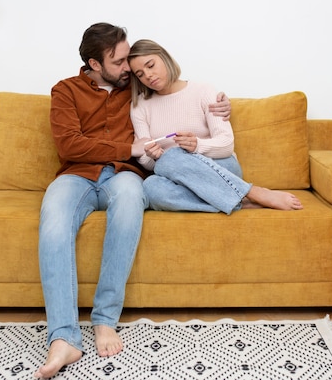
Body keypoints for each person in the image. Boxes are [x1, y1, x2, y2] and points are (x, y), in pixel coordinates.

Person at [35, 23, 232, 379]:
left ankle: (105, 320)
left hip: (125, 174)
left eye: (131, 59)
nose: (129, 67)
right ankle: (63, 337)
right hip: (77, 174)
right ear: (95, 64)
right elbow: (69, 145)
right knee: (52, 223)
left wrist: (220, 105)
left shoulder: (138, 90)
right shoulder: (65, 91)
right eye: (120, 60)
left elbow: (177, 96)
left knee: (129, 203)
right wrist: (129, 147)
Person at [128, 39, 303, 214]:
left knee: (171, 156)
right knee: (151, 186)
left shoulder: (203, 91)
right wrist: (154, 157)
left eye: (150, 65)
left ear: (164, 58)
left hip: (220, 166)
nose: (148, 75)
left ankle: (254, 192)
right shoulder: (140, 106)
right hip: (177, 177)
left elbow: (226, 144)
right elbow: (146, 161)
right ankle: (240, 198)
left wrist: (197, 145)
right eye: (140, 74)